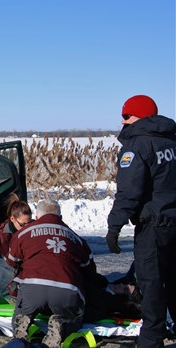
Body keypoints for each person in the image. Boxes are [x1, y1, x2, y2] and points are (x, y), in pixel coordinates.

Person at [105, 94, 176, 347]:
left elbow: (129, 192)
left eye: (126, 116)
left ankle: (151, 340)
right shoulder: (172, 140)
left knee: (152, 284)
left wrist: (114, 226)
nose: (122, 120)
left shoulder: (138, 146)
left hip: (153, 228)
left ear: (138, 116)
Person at [7, 199, 93, 348]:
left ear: (38, 216)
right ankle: (62, 324)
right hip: (66, 290)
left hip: (33, 288)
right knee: (76, 317)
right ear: (60, 216)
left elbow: (12, 261)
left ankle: (23, 320)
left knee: (22, 311)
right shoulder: (75, 237)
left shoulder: (24, 232)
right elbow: (89, 269)